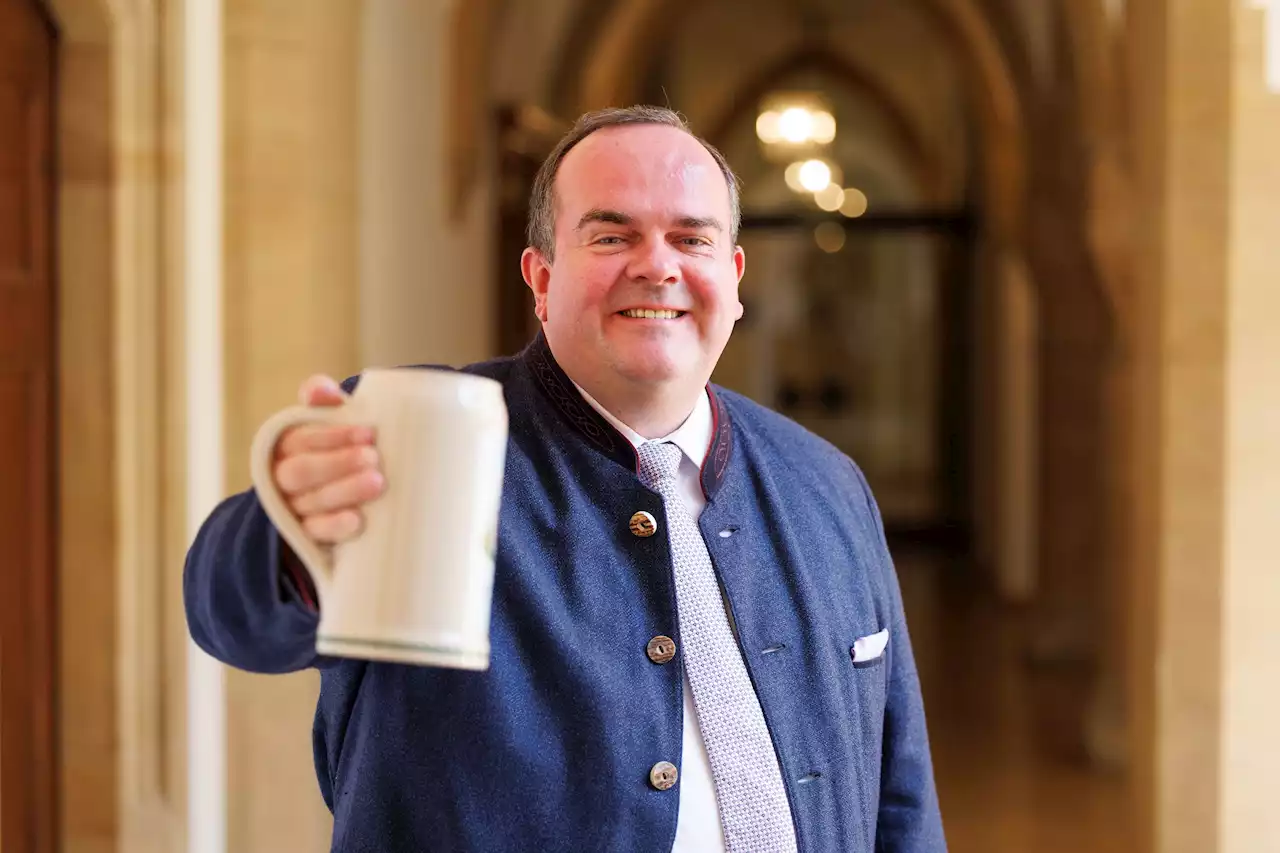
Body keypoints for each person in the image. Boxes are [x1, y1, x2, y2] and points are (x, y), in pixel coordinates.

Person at [184, 105, 946, 853]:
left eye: (691, 237)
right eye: (612, 235)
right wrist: (290, 530)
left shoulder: (827, 482)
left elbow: (901, 793)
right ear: (541, 279)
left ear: (734, 275)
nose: (658, 264)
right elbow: (230, 613)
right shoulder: (419, 442)